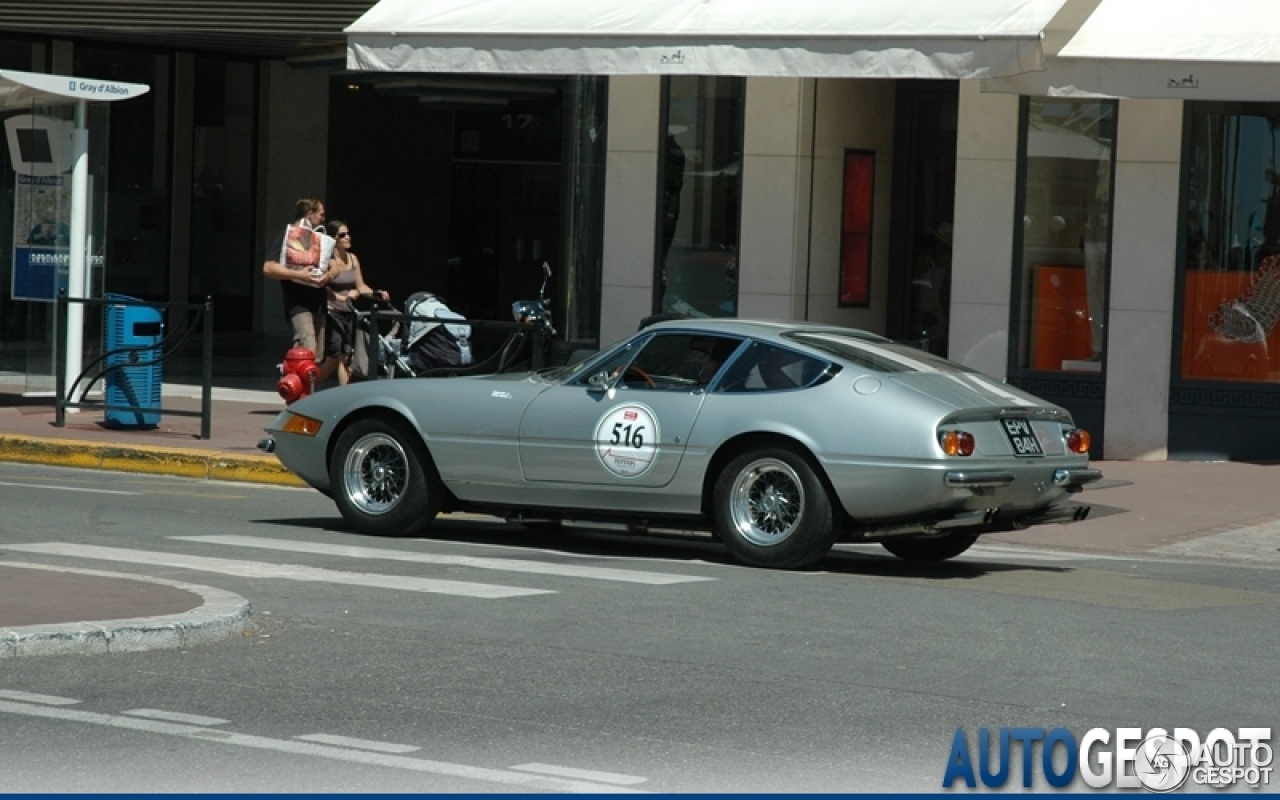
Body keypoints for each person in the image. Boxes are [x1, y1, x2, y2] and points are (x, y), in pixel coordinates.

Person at [318, 220, 389, 385]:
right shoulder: (327, 260)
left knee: (336, 359)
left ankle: (308, 389)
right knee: (342, 356)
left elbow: (361, 285)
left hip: (349, 312)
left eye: (348, 233)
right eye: (342, 235)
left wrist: (376, 293)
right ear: (333, 239)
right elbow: (321, 286)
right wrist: (340, 297)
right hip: (332, 312)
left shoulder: (352, 258)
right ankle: (344, 397)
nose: (348, 237)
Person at [262, 195, 332, 361]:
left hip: (319, 304)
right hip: (298, 304)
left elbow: (334, 265)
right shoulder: (288, 236)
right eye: (321, 215)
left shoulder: (319, 239)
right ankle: (294, 385)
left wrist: (328, 275)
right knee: (306, 350)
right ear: (310, 213)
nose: (323, 219)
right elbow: (268, 267)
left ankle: (308, 387)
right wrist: (298, 275)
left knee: (317, 356)